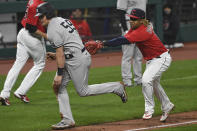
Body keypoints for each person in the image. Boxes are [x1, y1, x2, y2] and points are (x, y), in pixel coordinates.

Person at [36, 2, 127, 130]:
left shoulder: (52, 29)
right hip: (75, 56)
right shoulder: (62, 20)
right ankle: (67, 120)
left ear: (48, 14)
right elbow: (66, 47)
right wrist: (57, 55)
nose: (39, 19)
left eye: (41, 16)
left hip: (77, 60)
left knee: (83, 91)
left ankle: (116, 87)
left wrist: (59, 74)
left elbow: (61, 53)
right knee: (59, 87)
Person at [88, 8, 174, 122]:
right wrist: (103, 43)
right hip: (152, 61)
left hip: (161, 59)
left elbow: (122, 41)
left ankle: (149, 110)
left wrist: (103, 43)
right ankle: (167, 105)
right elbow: (121, 38)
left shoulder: (142, 31)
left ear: (141, 20)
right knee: (154, 84)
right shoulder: (137, 28)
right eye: (130, 18)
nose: (131, 21)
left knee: (146, 80)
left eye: (134, 19)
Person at [0, 0, 48, 106]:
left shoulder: (32, 0)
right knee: (40, 64)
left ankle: (4, 94)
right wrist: (46, 36)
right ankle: (21, 92)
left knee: (17, 64)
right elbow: (32, 28)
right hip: (33, 37)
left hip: (22, 33)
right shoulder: (37, 4)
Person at [116, 0, 147, 87]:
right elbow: (120, 12)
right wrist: (125, 29)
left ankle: (139, 79)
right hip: (129, 23)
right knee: (128, 54)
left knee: (139, 55)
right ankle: (127, 80)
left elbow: (144, 9)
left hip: (142, 23)